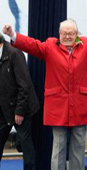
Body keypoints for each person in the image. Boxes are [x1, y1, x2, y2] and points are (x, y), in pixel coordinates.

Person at [3, 16, 87, 170]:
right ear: (59, 33)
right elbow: (32, 45)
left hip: (81, 106)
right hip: (58, 108)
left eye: (71, 33)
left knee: (78, 148)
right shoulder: (50, 47)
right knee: (58, 147)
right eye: (64, 33)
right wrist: (13, 35)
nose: (67, 36)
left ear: (77, 33)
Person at [0, 33, 39, 170]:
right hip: (3, 107)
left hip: (22, 107)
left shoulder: (15, 53)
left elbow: (24, 85)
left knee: (25, 144)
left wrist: (19, 111)